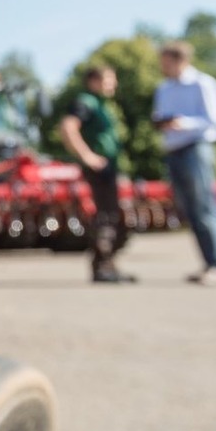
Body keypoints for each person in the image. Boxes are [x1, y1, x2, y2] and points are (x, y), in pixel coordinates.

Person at [153, 41, 216, 285]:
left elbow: (215, 119)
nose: (162, 66)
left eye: (166, 61)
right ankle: (207, 263)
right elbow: (159, 116)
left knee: (205, 206)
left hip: (196, 148)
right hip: (173, 149)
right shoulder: (163, 88)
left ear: (180, 60)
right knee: (190, 210)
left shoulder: (202, 83)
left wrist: (183, 123)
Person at [59, 66, 133, 283]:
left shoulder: (101, 104)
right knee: (107, 216)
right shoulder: (87, 102)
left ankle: (108, 264)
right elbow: (68, 126)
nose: (113, 85)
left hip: (109, 166)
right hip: (99, 167)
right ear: (93, 81)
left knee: (114, 216)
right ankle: (102, 267)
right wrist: (87, 155)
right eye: (108, 80)